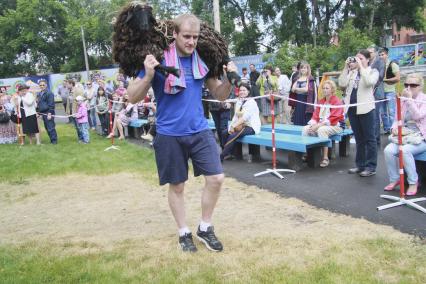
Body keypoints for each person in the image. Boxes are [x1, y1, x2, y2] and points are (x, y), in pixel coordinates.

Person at [127, 13, 237, 253]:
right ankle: (183, 232)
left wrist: (230, 80)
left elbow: (220, 94)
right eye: (186, 36)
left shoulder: (202, 60)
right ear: (174, 34)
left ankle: (205, 227)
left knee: (216, 178)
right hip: (168, 134)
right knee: (177, 186)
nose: (191, 42)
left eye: (195, 37)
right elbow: (132, 96)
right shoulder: (158, 60)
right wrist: (147, 75)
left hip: (199, 130)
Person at [383, 73, 426, 196]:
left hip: (420, 137)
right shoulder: (402, 99)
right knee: (388, 150)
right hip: (406, 136)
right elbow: (397, 118)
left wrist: (410, 100)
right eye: (406, 84)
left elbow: (418, 115)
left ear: (420, 87)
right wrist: (394, 129)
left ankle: (413, 182)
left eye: (413, 85)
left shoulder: (424, 99)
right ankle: (395, 179)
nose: (409, 88)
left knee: (405, 151)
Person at [338, 50, 379, 177]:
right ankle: (360, 165)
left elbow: (369, 82)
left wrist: (361, 67)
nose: (357, 60)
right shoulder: (352, 72)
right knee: (359, 139)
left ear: (367, 59)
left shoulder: (373, 71)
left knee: (370, 139)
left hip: (366, 109)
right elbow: (342, 84)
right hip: (352, 109)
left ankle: (371, 166)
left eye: (361, 58)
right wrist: (346, 67)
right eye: (356, 58)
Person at [302, 80, 344, 167]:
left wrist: (318, 125)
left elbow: (334, 118)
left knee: (322, 130)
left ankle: (325, 158)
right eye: (323, 88)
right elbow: (315, 116)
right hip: (322, 124)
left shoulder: (337, 101)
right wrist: (313, 125)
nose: (325, 90)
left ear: (332, 90)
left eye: (327, 88)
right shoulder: (321, 101)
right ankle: (307, 153)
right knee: (306, 128)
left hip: (336, 125)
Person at [220, 83, 260, 161]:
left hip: (250, 126)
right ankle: (231, 154)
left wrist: (233, 126)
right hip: (239, 125)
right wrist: (231, 126)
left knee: (232, 136)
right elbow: (236, 116)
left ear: (248, 91)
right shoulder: (239, 101)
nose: (242, 92)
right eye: (240, 90)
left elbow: (245, 118)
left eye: (244, 90)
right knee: (224, 132)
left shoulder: (252, 102)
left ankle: (221, 157)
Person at [379, 47, 400, 134]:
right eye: (379, 55)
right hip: (380, 91)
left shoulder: (392, 64)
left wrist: (385, 80)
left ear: (387, 55)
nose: (381, 56)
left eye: (382, 54)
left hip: (390, 90)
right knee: (383, 112)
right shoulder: (378, 65)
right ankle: (387, 129)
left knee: (392, 112)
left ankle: (393, 129)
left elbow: (398, 78)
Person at [367, 45, 385, 146]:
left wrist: (373, 85)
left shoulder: (380, 61)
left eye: (371, 52)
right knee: (370, 116)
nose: (369, 54)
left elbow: (381, 76)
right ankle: (371, 137)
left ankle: (376, 139)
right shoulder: (367, 62)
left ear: (375, 53)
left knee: (375, 116)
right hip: (368, 92)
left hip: (376, 92)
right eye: (368, 52)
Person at [291, 61, 316, 126]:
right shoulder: (297, 78)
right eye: (302, 68)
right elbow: (292, 89)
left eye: (305, 68)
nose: (303, 69)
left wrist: (297, 89)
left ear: (308, 69)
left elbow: (306, 90)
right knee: (297, 119)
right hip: (298, 102)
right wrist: (299, 90)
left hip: (306, 102)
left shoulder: (309, 79)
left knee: (305, 120)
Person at [37, 79, 58, 144]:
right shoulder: (40, 93)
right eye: (40, 85)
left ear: (46, 85)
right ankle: (52, 140)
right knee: (47, 127)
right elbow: (39, 104)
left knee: (50, 127)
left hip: (48, 112)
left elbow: (51, 104)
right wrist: (38, 112)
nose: (42, 86)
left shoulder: (49, 93)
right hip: (43, 113)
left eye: (43, 85)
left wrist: (50, 113)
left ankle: (54, 141)